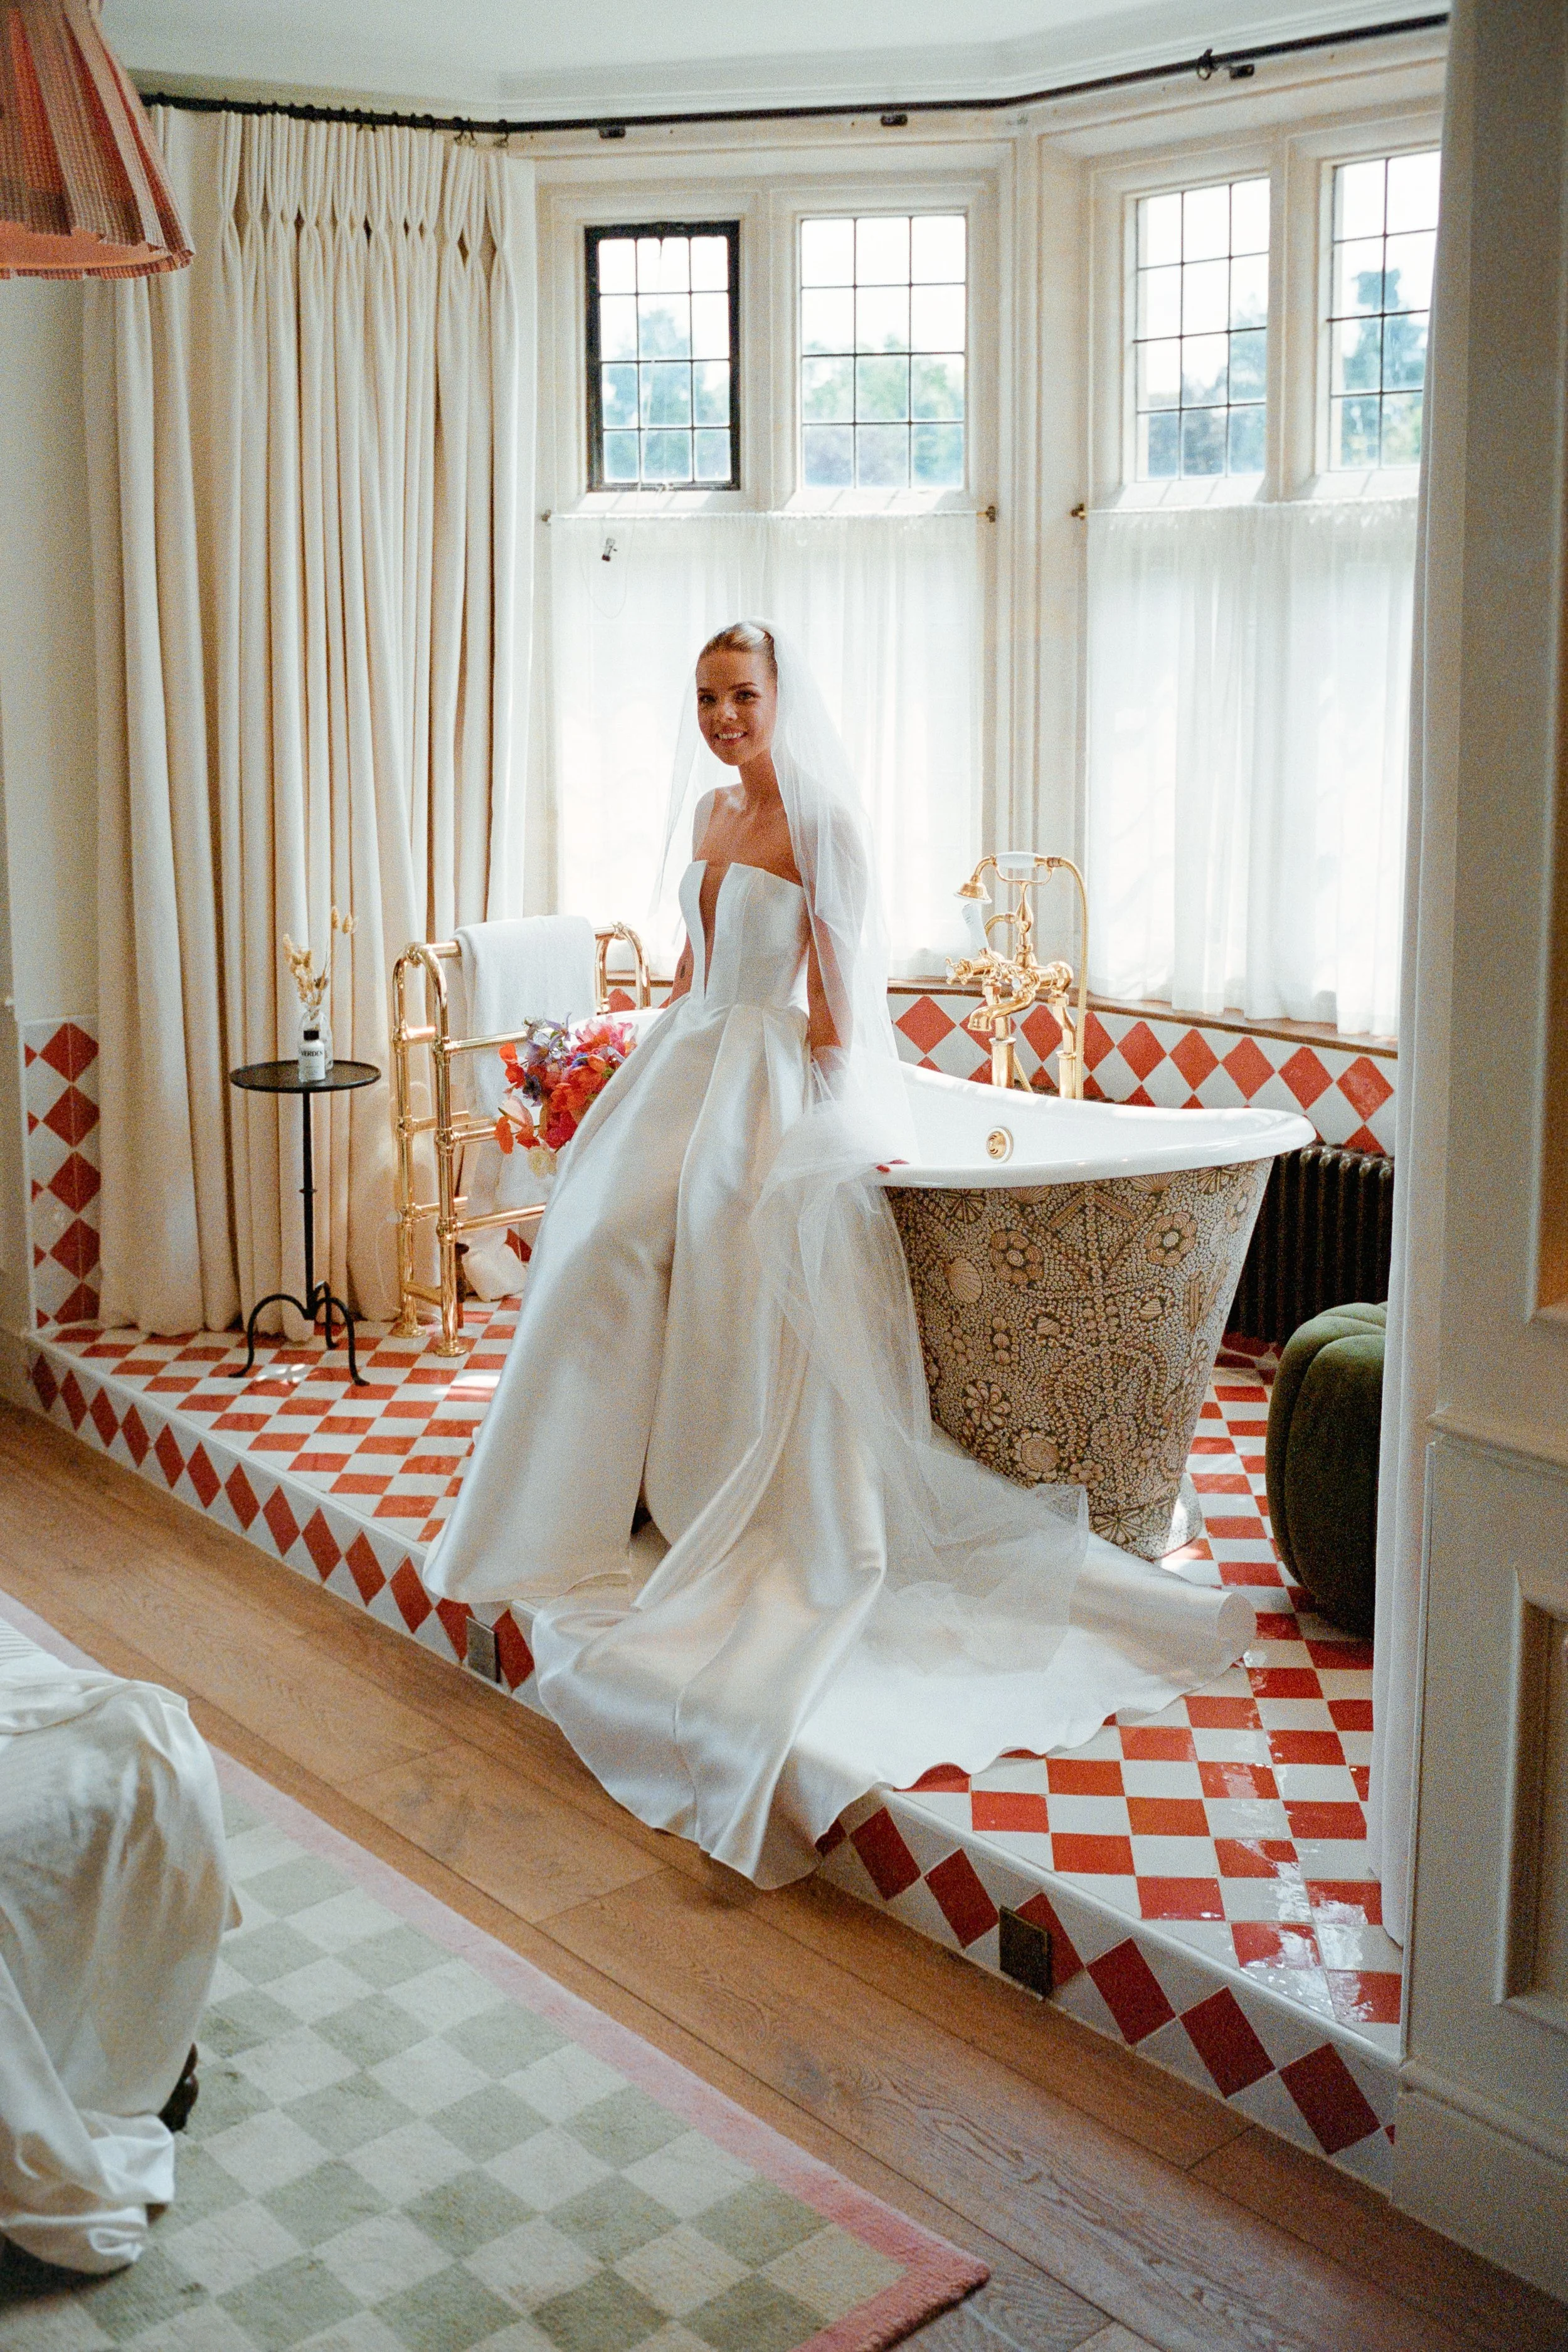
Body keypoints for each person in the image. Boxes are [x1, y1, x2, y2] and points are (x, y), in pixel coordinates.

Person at [426, 621, 1251, 1886]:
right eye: (704, 698)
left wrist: (823, 1135)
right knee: (591, 1242)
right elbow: (696, 966)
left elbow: (837, 996)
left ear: (780, 698)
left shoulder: (822, 824)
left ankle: (709, 1497)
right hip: (689, 1058)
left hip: (763, 1077)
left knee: (718, 1255)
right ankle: (574, 1500)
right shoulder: (707, 813)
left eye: (741, 696)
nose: (722, 718)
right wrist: (636, 1073)